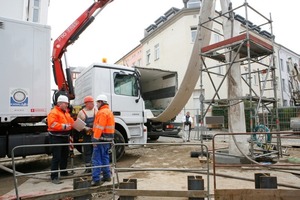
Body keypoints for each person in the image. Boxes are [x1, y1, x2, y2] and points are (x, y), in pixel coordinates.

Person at [47, 95, 74, 184]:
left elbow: (71, 122)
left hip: (64, 137)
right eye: (65, 103)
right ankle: (54, 176)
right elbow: (52, 124)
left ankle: (63, 172)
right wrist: (64, 126)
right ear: (60, 103)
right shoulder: (53, 112)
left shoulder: (66, 113)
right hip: (56, 138)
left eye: (67, 103)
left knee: (64, 155)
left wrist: (80, 125)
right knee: (57, 157)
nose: (67, 105)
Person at [91, 94, 115, 186]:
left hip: (100, 139)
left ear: (101, 102)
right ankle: (107, 176)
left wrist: (95, 140)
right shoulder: (109, 111)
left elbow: (99, 127)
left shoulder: (102, 112)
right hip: (107, 139)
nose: (96, 104)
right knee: (105, 157)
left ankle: (96, 179)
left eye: (97, 102)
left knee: (96, 159)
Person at [76, 96, 97, 173]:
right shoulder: (81, 113)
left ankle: (96, 167)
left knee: (95, 151)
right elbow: (78, 126)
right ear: (86, 104)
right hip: (86, 136)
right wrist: (85, 128)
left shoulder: (96, 111)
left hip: (95, 135)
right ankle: (88, 168)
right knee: (87, 151)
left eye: (93, 103)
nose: (93, 104)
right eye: (91, 103)